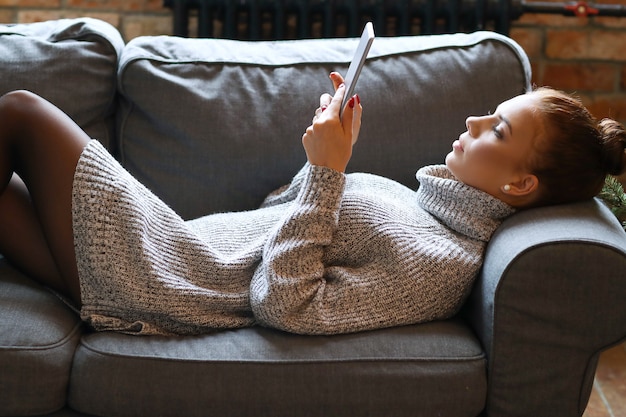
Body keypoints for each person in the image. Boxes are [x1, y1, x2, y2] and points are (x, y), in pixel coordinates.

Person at [0, 72, 625, 336]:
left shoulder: (443, 262)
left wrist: (329, 173)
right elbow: (278, 214)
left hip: (173, 279)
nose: (475, 117)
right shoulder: (410, 201)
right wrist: (327, 153)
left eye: (499, 130)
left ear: (520, 185)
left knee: (21, 112)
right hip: (176, 250)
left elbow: (287, 307)